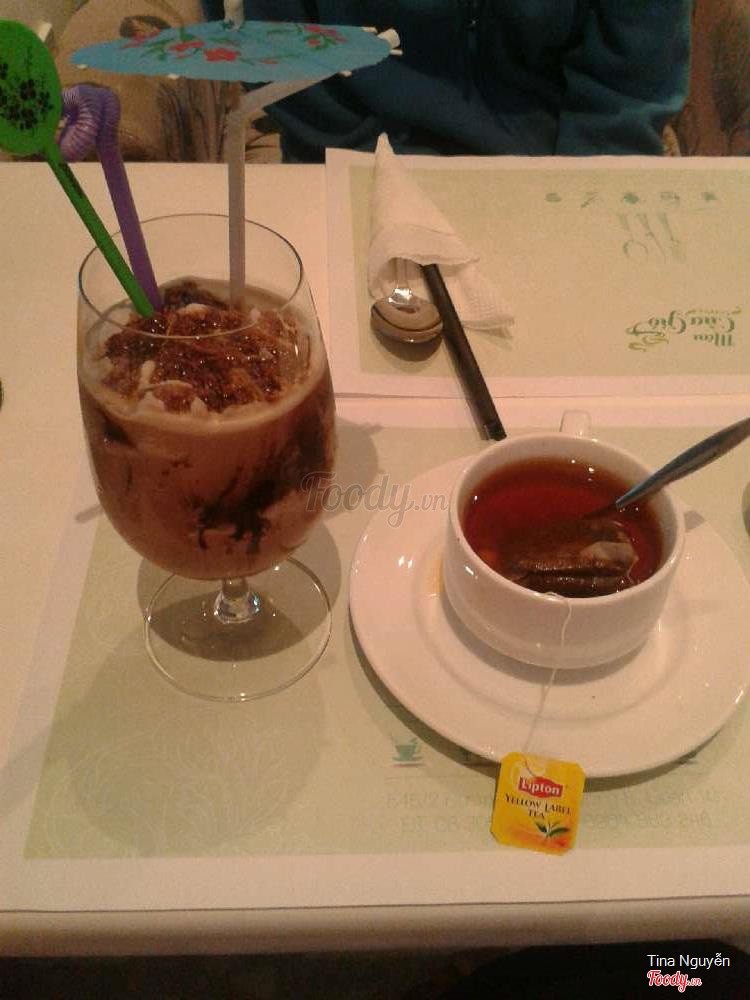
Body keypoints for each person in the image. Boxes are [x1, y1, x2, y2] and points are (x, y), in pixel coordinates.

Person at [201, 0, 692, 161]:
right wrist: (361, 167)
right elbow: (273, 39)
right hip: (352, 160)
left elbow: (631, 86)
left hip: (560, 167)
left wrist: (571, 200)